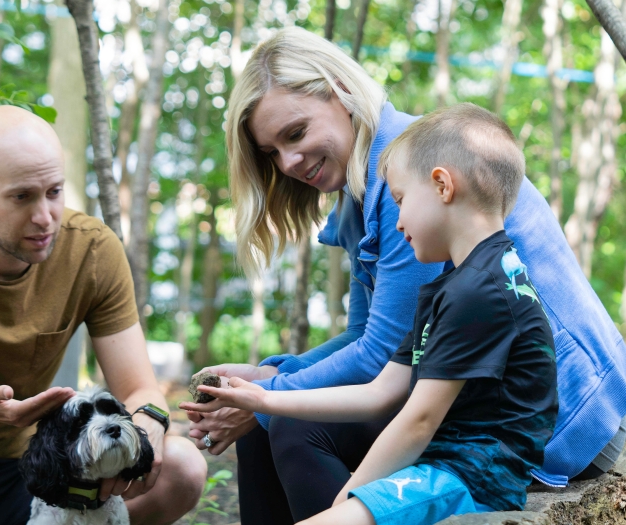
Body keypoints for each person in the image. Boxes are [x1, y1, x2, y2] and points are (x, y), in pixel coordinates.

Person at [184, 26, 626, 524]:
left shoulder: (416, 173)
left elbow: (382, 366)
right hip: (464, 406)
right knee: (274, 422)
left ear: (340, 91)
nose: (287, 162)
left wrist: (271, 400)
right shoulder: (370, 188)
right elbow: (368, 338)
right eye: (271, 152)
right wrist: (271, 381)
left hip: (553, 423)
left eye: (295, 134)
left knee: (291, 427)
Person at [0, 105, 207, 525]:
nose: (44, 218)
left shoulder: (92, 251)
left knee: (182, 467)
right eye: (22, 196)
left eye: (54, 192)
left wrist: (148, 423)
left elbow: (138, 389)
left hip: (36, 474)